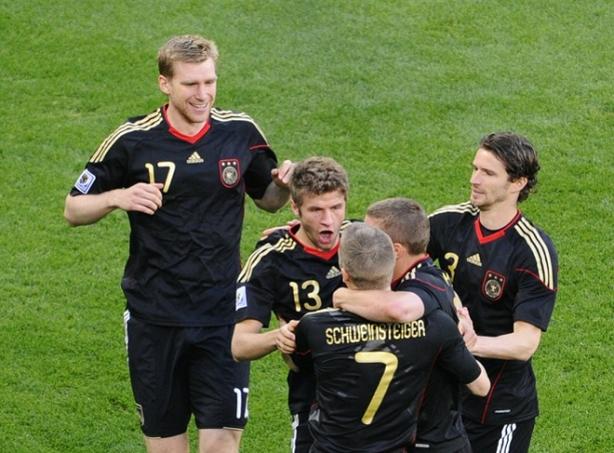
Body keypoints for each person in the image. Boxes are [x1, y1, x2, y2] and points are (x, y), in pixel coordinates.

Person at [64, 35, 293, 453]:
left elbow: (268, 200)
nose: (203, 94)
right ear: (164, 83)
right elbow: (73, 208)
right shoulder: (133, 139)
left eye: (210, 82)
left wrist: (283, 186)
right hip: (155, 315)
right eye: (191, 84)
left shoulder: (240, 132)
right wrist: (118, 197)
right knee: (166, 446)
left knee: (221, 444)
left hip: (223, 313)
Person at [294, 222, 490, 453]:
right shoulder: (436, 325)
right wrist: (463, 341)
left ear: (344, 274)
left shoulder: (315, 325)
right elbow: (481, 387)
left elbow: (296, 365)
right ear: (391, 268)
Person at [427, 132, 558, 453]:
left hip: (498, 408)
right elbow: (393, 253)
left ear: (517, 183)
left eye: (488, 173)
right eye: (475, 169)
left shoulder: (532, 250)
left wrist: (465, 344)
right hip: (443, 392)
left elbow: (525, 344)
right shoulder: (448, 222)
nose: (474, 179)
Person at [332, 198, 477, 452]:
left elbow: (399, 310)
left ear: (395, 250)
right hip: (411, 435)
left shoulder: (424, 283)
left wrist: (342, 296)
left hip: (432, 439)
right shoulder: (413, 273)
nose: (366, 240)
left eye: (372, 236)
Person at [232, 156, 349, 453]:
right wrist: (278, 337)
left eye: (336, 208)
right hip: (314, 396)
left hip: (378, 386)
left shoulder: (363, 240)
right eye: (316, 210)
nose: (328, 220)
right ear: (295, 208)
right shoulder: (271, 259)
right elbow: (239, 345)